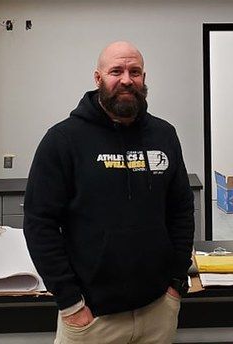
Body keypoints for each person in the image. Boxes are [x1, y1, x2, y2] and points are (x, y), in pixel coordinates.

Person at [24, 41, 195, 344]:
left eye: (135, 71)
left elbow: (181, 209)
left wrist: (175, 284)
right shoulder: (63, 139)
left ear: (144, 78)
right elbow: (40, 223)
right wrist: (70, 302)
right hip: (91, 319)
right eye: (116, 71)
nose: (127, 79)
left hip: (157, 312)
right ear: (98, 78)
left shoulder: (164, 134)